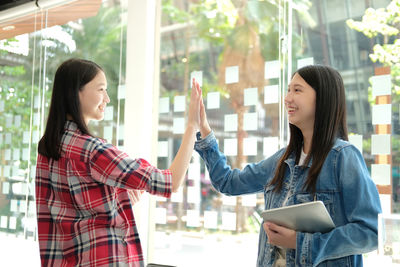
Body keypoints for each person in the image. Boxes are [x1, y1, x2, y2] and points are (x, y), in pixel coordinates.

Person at [194, 65, 381, 266]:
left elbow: (371, 232)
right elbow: (229, 182)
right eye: (288, 90)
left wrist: (300, 242)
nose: (287, 98)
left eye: (297, 90)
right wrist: (204, 129)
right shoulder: (282, 160)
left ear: (323, 98)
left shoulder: (343, 157)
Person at [35, 58, 201, 267]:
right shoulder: (93, 151)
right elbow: (170, 181)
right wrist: (192, 126)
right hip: (104, 259)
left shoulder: (48, 149)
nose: (107, 98)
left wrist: (116, 199)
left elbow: (75, 212)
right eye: (101, 89)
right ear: (76, 91)